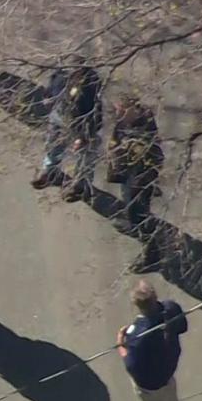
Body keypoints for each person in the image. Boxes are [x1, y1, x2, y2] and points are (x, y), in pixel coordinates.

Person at [116, 280, 188, 401]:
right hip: (168, 366)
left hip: (150, 383)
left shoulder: (137, 333)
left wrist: (120, 342)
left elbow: (131, 365)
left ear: (137, 305)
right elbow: (182, 327)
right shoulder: (171, 308)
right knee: (170, 387)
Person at [31, 59, 104, 203]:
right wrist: (48, 97)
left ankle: (80, 185)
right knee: (55, 144)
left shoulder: (88, 86)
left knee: (85, 153)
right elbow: (51, 87)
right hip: (61, 115)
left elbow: (92, 113)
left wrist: (82, 136)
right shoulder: (63, 75)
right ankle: (51, 171)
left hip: (82, 120)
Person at [106, 96, 164, 273]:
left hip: (140, 179)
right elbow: (116, 138)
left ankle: (152, 254)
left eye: (122, 111)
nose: (119, 115)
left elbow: (152, 158)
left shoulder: (143, 129)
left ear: (133, 109)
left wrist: (144, 184)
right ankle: (132, 223)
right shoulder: (124, 121)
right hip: (127, 173)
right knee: (128, 202)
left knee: (138, 213)